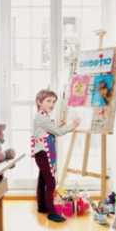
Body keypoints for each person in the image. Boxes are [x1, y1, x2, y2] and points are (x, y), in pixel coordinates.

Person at [31, 89, 80, 223]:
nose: (52, 104)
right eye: (48, 101)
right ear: (39, 102)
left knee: (43, 180)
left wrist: (61, 125)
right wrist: (72, 126)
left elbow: (52, 129)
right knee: (51, 182)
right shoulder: (42, 118)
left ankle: (42, 206)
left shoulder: (43, 116)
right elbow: (57, 132)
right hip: (43, 153)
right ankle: (52, 212)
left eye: (53, 102)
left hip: (41, 153)